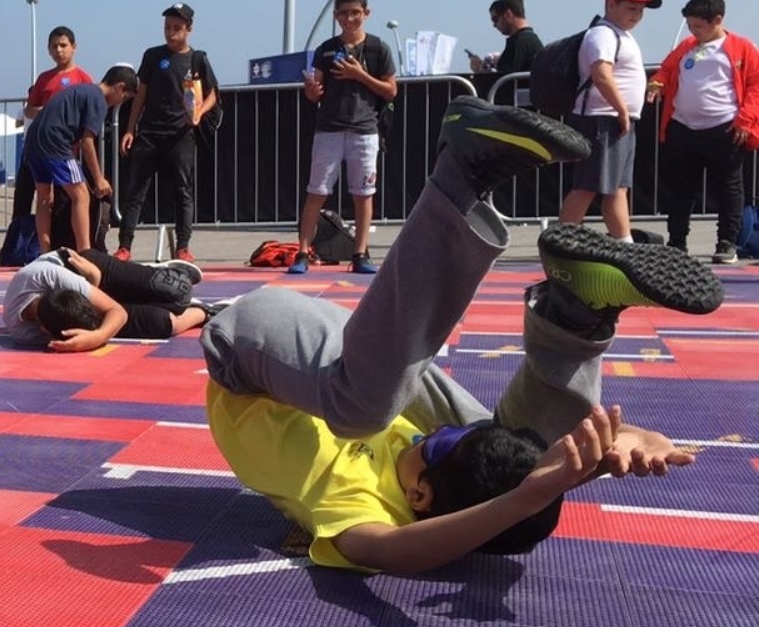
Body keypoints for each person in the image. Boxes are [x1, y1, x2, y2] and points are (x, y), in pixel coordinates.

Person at [203, 96, 722, 574]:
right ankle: (575, 316)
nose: (432, 432)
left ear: (422, 498)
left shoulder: (360, 504)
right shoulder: (438, 472)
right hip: (347, 362)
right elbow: (534, 471)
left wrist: (517, 502)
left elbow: (388, 553)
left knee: (364, 412)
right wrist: (623, 445)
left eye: (436, 442)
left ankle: (461, 176)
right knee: (516, 448)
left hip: (248, 358)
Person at [646, 0, 759, 263]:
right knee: (680, 188)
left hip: (724, 127)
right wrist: (657, 83)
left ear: (717, 20)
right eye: (690, 26)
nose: (694, 31)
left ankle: (726, 243)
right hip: (683, 127)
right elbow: (667, 69)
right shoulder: (687, 45)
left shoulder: (743, 47)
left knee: (729, 187)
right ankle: (676, 242)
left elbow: (756, 86)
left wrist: (745, 118)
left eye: (699, 26)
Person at [292, 0, 397, 275]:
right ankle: (302, 252)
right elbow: (315, 92)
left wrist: (359, 75)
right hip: (329, 128)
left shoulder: (378, 48)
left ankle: (360, 252)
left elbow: (390, 90)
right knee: (317, 191)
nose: (349, 19)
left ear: (366, 13)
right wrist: (312, 90)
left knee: (363, 193)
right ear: (336, 16)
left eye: (355, 13)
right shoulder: (326, 49)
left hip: (364, 129)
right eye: (343, 13)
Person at [117, 3, 218, 264]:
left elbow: (213, 94)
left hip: (181, 134)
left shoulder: (198, 59)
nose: (171, 33)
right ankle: (124, 246)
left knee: (183, 191)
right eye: (167, 28)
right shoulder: (152, 56)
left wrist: (199, 114)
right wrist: (130, 129)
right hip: (150, 133)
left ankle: (183, 246)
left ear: (189, 29)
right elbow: (141, 94)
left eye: (177, 28)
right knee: (135, 191)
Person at [557, 0, 659, 241]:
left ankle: (624, 244)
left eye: (640, 10)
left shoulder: (621, 35)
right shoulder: (602, 34)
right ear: (610, 5)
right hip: (600, 120)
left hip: (615, 120)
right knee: (588, 186)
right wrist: (622, 109)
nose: (636, 15)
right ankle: (561, 242)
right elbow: (601, 75)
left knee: (617, 187)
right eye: (631, 8)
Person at [2, 248, 218, 353]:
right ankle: (206, 311)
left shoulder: (46, 276)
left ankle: (153, 273)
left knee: (177, 293)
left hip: (87, 269)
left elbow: (118, 312)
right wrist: (92, 333)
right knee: (162, 322)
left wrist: (98, 337)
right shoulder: (24, 333)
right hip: (84, 301)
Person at [22, 66, 137, 252]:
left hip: (34, 141)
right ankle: (85, 250)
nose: (119, 103)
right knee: (81, 195)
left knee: (44, 197)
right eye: (124, 98)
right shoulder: (98, 100)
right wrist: (99, 178)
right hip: (55, 142)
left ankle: (45, 252)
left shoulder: (82, 90)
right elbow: (87, 141)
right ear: (120, 87)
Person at [17, 26, 100, 242]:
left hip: (66, 150)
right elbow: (29, 108)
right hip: (43, 146)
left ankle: (76, 244)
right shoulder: (44, 78)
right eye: (54, 46)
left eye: (63, 45)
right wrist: (49, 112)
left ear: (74, 47)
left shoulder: (83, 78)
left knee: (71, 198)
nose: (59, 50)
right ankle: (41, 248)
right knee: (44, 198)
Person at [470, 0, 543, 75]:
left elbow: (503, 82)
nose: (494, 25)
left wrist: (480, 70)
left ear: (508, 14)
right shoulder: (530, 39)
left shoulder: (518, 42)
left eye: (495, 19)